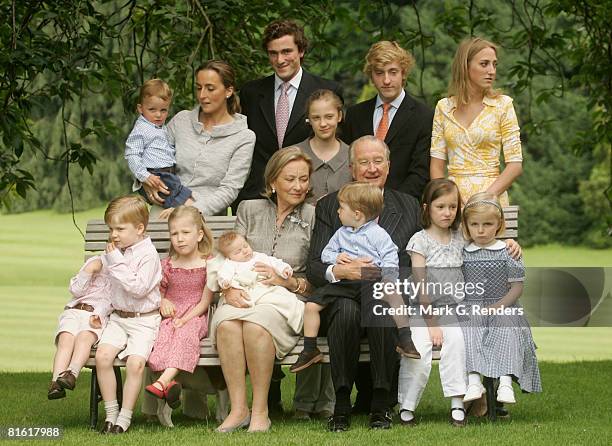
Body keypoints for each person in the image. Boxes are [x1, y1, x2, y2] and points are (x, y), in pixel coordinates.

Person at [308, 135, 422, 431]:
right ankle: (342, 403)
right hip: (342, 292)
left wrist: (371, 275)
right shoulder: (331, 206)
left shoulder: (408, 205)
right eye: (364, 162)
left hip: (385, 292)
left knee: (379, 306)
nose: (372, 168)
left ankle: (381, 403)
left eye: (378, 161)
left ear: (388, 165)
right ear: (351, 167)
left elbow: (410, 264)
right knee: (346, 312)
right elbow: (315, 265)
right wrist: (341, 272)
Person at [208, 147, 314, 432]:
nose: (298, 186)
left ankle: (261, 410)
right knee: (228, 325)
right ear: (272, 183)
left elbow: (317, 275)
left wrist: (289, 282)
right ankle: (239, 408)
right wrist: (226, 289)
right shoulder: (249, 209)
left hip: (285, 297)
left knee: (255, 327)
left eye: (303, 179)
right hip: (241, 291)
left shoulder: (313, 215)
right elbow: (226, 255)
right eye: (290, 179)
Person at [292, 181, 418, 374]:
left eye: (341, 208)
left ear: (357, 214)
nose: (338, 212)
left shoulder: (378, 234)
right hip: (347, 284)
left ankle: (405, 339)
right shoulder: (340, 234)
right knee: (311, 306)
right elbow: (325, 254)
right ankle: (310, 349)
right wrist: (337, 257)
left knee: (394, 298)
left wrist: (389, 279)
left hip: (372, 281)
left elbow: (390, 256)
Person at [237, 19, 342, 203]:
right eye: (273, 53)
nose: (280, 60)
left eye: (286, 51)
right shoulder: (251, 93)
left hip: (307, 194)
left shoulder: (327, 91)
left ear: (301, 51)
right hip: (258, 195)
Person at [142, 60, 255, 218]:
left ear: (228, 91)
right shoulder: (181, 120)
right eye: (199, 88)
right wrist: (146, 180)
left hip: (207, 216)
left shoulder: (244, 137)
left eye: (210, 89)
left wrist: (192, 209)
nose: (202, 95)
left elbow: (230, 189)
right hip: (166, 207)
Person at [398, 179, 468, 428]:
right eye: (440, 207)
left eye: (452, 207)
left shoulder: (461, 238)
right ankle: (407, 405)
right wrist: (432, 324)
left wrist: (511, 243)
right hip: (423, 311)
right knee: (418, 347)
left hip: (453, 310)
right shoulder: (420, 241)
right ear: (427, 208)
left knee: (458, 342)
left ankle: (457, 402)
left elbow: (487, 239)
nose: (447, 212)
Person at [460, 193, 541, 405]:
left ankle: (505, 383)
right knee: (469, 327)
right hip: (472, 305)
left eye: (487, 224)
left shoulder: (507, 252)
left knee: (507, 326)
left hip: (504, 303)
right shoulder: (463, 252)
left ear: (499, 224)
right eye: (474, 224)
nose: (480, 230)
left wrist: (496, 307)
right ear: (466, 225)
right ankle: (474, 380)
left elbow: (516, 288)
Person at [94, 195, 162, 434]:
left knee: (135, 364)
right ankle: (110, 413)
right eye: (111, 228)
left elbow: (138, 288)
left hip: (144, 320)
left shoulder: (148, 255)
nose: (114, 235)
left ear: (140, 228)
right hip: (118, 318)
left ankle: (124, 417)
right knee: (103, 357)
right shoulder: (116, 251)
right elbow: (106, 287)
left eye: (120, 229)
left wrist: (114, 260)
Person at [430, 37, 523, 207]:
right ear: (465, 66)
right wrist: (448, 200)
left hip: (491, 201)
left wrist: (485, 198)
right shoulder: (444, 107)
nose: (492, 71)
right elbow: (436, 166)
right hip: (453, 204)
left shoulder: (503, 105)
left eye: (494, 64)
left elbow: (515, 165)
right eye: (484, 64)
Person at [145, 206, 215, 412]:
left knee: (185, 335)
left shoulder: (208, 264)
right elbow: (157, 291)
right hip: (171, 316)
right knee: (162, 339)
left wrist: (186, 319)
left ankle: (161, 383)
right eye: (174, 233)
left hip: (196, 316)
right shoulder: (167, 265)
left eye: (185, 233)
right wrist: (162, 301)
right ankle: (170, 386)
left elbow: (204, 303)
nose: (180, 238)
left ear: (199, 234)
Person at [342, 41, 433, 199]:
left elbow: (420, 173)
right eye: (379, 73)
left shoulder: (424, 116)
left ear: (403, 73)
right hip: (358, 204)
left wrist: (389, 203)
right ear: (371, 76)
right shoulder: (355, 114)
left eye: (393, 72)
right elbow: (348, 165)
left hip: (403, 207)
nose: (386, 80)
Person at [48, 257, 113, 400]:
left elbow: (112, 300)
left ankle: (72, 374)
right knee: (66, 339)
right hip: (73, 311)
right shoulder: (95, 262)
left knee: (84, 338)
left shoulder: (121, 270)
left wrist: (99, 314)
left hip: (95, 315)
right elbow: (75, 290)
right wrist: (88, 270)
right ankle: (55, 384)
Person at [125, 79, 195, 209]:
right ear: (140, 108)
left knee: (184, 197)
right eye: (152, 109)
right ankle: (195, 214)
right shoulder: (141, 129)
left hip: (168, 174)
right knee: (187, 202)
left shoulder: (159, 127)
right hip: (156, 175)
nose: (158, 115)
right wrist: (144, 176)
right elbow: (132, 154)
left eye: (163, 110)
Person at [294, 89, 351, 203]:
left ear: (339, 116)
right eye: (316, 118)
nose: (323, 124)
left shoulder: (353, 156)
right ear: (309, 120)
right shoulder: (293, 155)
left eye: (329, 116)